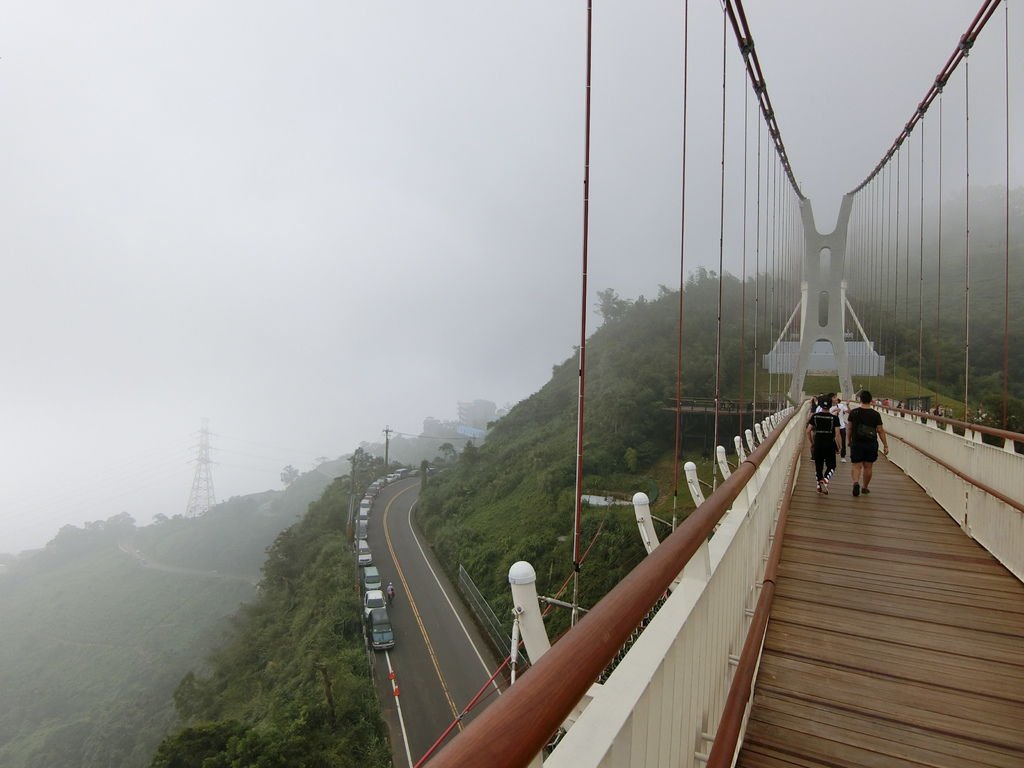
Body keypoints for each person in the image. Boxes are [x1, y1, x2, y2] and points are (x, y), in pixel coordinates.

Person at [847, 389, 889, 496]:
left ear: (860, 399)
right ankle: (865, 487)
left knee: (856, 465)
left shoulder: (854, 412)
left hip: (857, 442)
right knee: (868, 466)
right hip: (871, 444)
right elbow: (880, 430)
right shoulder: (875, 414)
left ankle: (856, 482)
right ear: (870, 400)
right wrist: (885, 445)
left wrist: (848, 440)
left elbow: (850, 429)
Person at [807, 395, 841, 494]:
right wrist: (840, 446)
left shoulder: (815, 416)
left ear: (820, 405)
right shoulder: (834, 418)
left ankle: (818, 486)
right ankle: (826, 479)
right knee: (832, 465)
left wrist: (811, 443)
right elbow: (837, 434)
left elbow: (808, 431)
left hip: (818, 443)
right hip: (829, 444)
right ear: (831, 405)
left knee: (819, 465)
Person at [831, 393, 850, 463]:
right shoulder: (828, 407)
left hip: (841, 426)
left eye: (836, 397)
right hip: (832, 427)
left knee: (843, 441)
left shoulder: (841, 406)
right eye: (834, 397)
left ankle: (843, 456)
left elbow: (849, 412)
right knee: (831, 441)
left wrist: (848, 405)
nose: (836, 399)